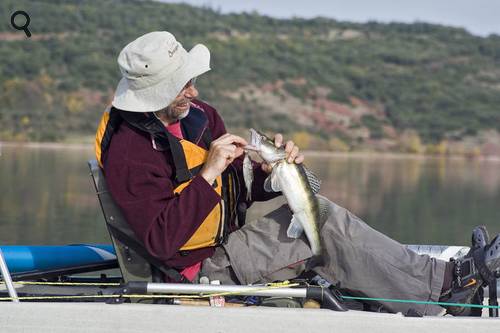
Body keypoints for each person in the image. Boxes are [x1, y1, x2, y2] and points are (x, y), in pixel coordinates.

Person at [96, 31, 500, 316]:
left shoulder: (201, 116)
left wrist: (271, 174)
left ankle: (437, 284)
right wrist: (207, 174)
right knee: (324, 227)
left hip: (225, 243)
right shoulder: (129, 152)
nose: (195, 92)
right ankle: (446, 286)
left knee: (317, 212)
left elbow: (239, 187)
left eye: (191, 81)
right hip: (198, 272)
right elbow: (163, 241)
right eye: (183, 86)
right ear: (157, 92)